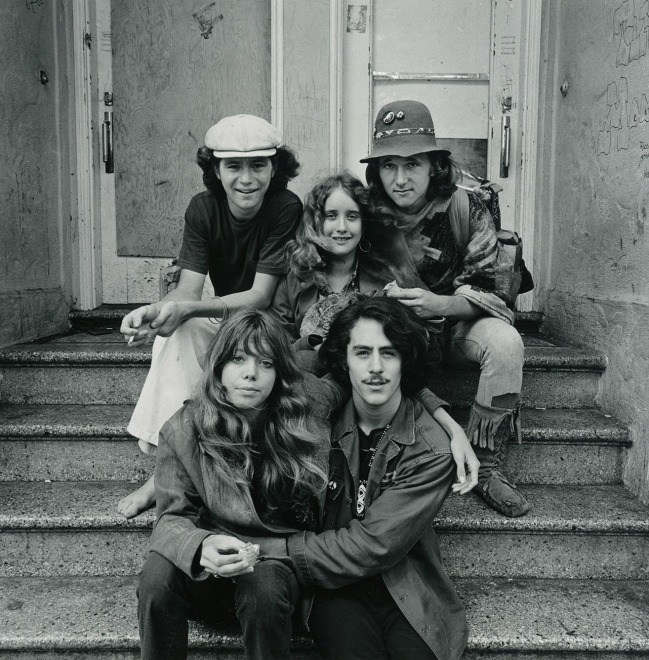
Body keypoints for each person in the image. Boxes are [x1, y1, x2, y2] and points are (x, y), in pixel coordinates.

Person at [137, 307, 467, 660]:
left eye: (265, 363)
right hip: (213, 561)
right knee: (157, 571)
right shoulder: (183, 428)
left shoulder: (306, 406)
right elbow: (170, 520)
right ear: (217, 366)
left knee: (263, 585)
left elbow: (378, 372)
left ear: (280, 372)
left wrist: (445, 418)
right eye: (237, 360)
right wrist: (199, 546)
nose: (251, 374)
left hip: (279, 566)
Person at [254, 297, 468, 660]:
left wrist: (276, 550)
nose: (375, 368)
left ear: (406, 361)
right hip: (333, 584)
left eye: (389, 353)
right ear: (343, 361)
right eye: (363, 353)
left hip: (404, 583)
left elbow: (374, 546)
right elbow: (256, 375)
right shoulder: (319, 414)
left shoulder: (433, 449)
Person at [117, 114, 302, 519]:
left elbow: (260, 296)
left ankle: (173, 465)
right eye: (234, 166)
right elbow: (188, 290)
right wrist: (160, 314)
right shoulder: (202, 208)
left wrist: (189, 309)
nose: (247, 179)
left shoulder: (285, 206)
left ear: (276, 168)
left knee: (194, 321)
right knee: (178, 333)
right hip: (229, 317)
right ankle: (168, 462)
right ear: (215, 170)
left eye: (259, 165)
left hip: (272, 324)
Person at [362, 99, 528, 518]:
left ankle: (487, 465)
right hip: (395, 337)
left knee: (506, 344)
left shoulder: (468, 206)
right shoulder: (364, 214)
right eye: (388, 166)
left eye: (412, 164)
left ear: (434, 164)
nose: (400, 179)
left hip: (456, 327)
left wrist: (439, 303)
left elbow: (494, 291)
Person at [272, 172, 479, 486]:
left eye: (352, 216)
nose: (341, 227)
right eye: (331, 216)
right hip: (309, 390)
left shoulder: (387, 275)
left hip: (369, 393)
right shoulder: (297, 275)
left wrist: (452, 426)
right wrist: (309, 343)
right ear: (316, 221)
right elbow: (277, 340)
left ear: (364, 222)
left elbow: (407, 358)